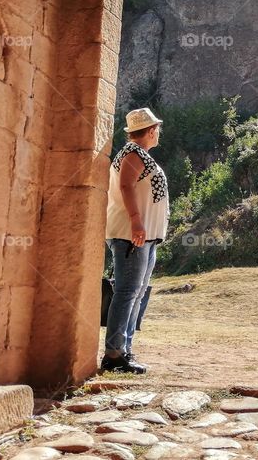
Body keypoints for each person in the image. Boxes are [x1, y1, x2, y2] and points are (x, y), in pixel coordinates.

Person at [102, 108, 169, 374]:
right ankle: (114, 354)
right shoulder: (132, 153)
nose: (158, 133)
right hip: (132, 235)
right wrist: (136, 220)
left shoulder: (139, 154)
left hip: (144, 236)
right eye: (157, 129)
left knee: (136, 292)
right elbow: (126, 186)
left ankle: (124, 349)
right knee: (128, 291)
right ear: (151, 131)